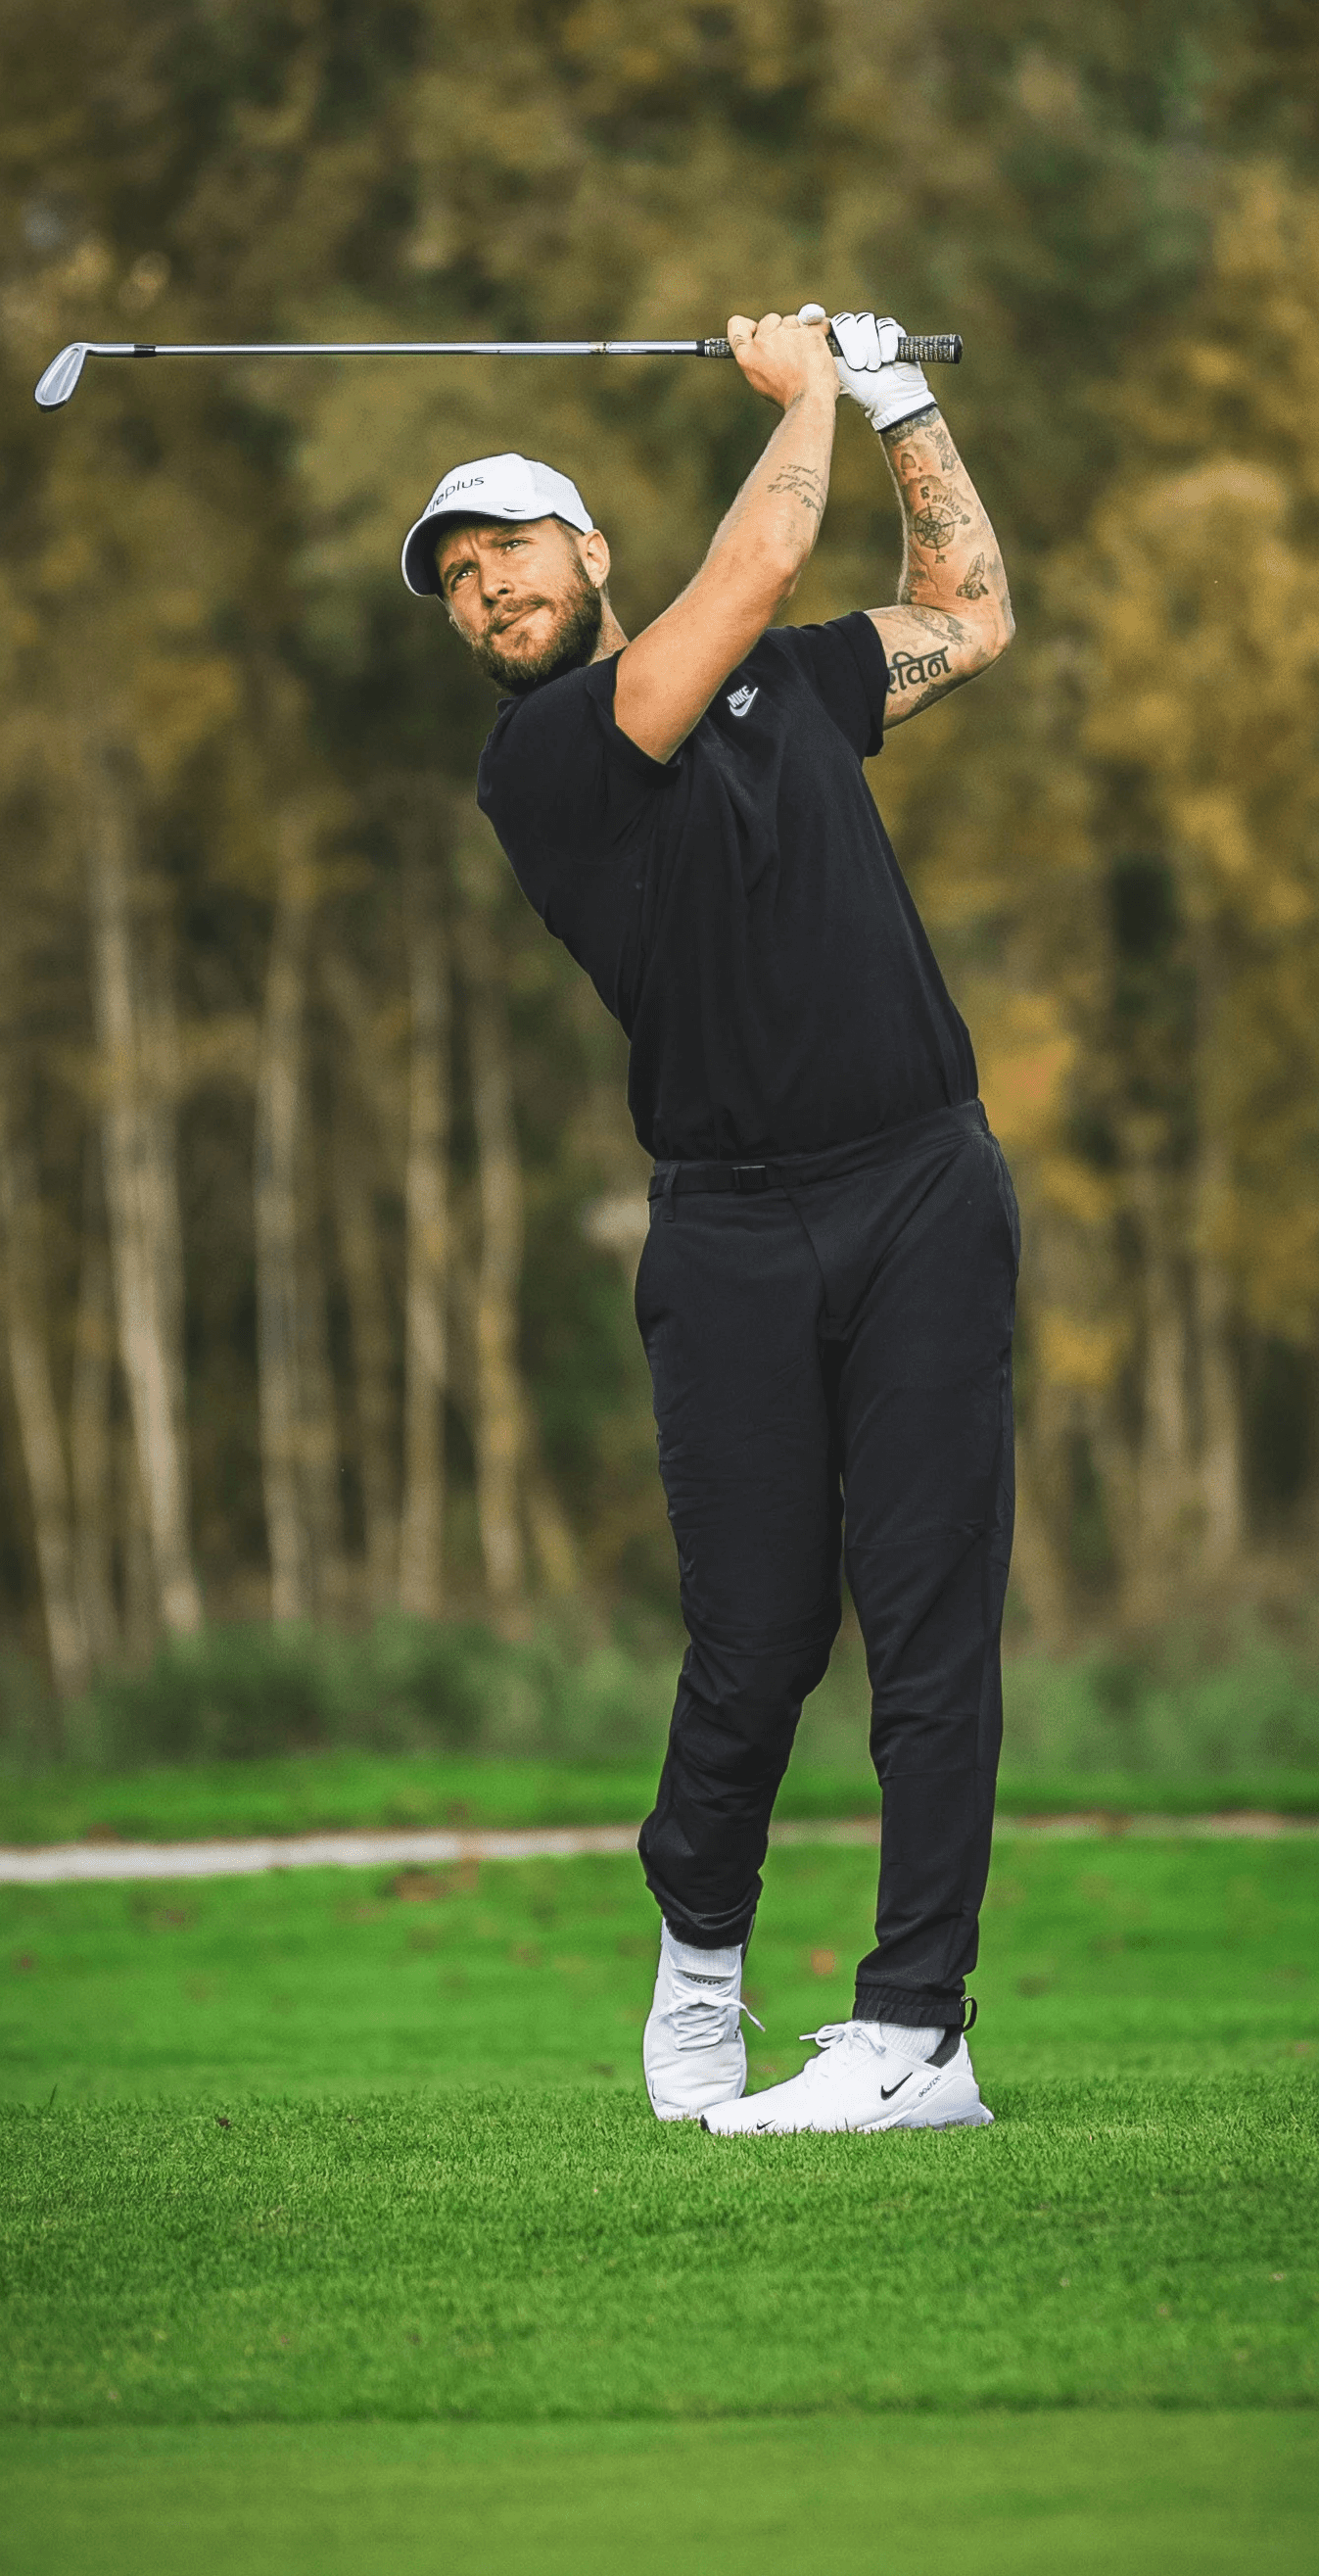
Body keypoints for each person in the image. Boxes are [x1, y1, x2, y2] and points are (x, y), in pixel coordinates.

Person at [399, 306, 1018, 2134]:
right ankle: (699, 1964)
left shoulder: (788, 681)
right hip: (733, 1232)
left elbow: (968, 612)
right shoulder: (554, 759)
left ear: (586, 549)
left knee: (931, 1623)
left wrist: (900, 398)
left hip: (921, 1183)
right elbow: (752, 562)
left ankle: (917, 2034)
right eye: (454, 580)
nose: (485, 589)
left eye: (506, 548)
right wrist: (812, 383)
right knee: (755, 1644)